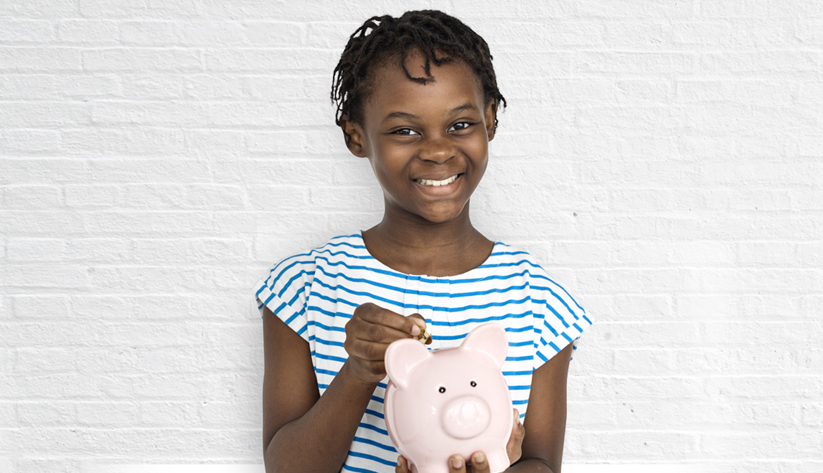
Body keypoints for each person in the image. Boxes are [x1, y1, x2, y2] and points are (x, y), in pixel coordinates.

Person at [254, 10, 592, 473]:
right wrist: (357, 373)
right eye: (404, 130)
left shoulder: (538, 300)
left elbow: (540, 464)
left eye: (459, 125)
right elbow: (285, 468)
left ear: (490, 121)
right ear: (357, 136)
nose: (437, 149)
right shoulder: (306, 286)